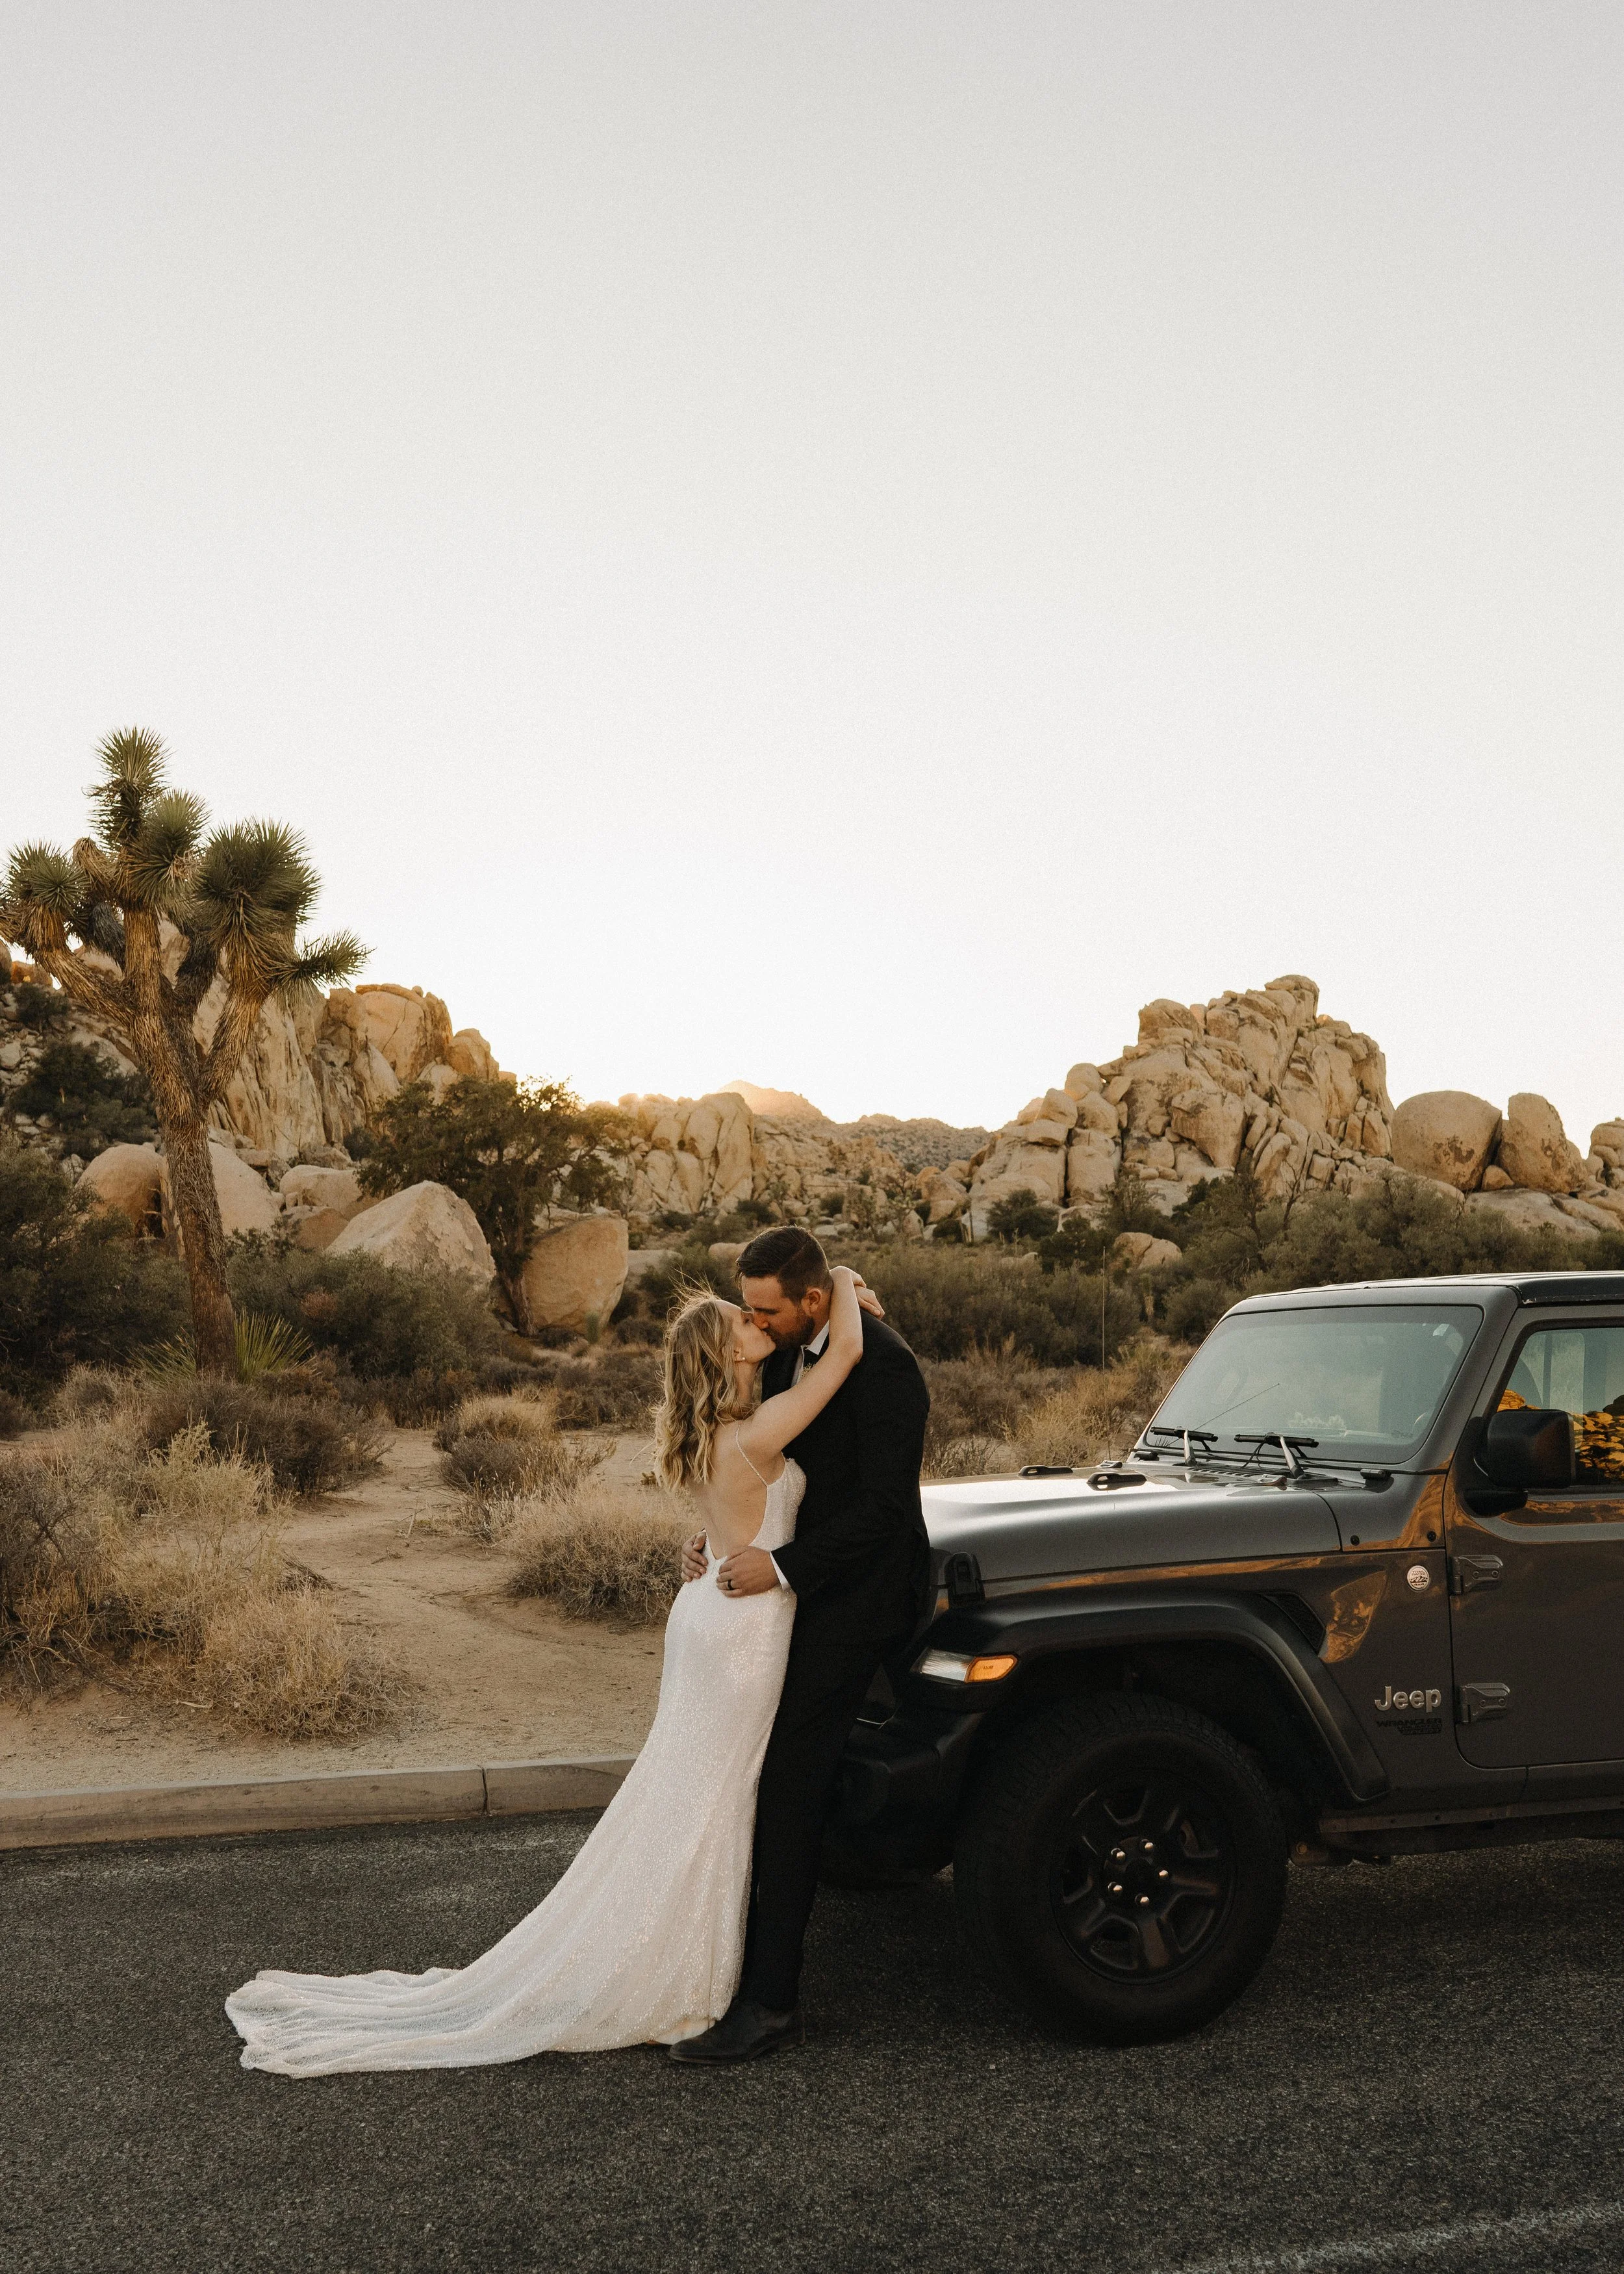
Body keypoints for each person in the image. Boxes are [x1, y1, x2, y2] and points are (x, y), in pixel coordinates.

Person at [223, 1264, 871, 2075]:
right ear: (725, 1354)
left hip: (707, 1611)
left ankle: (677, 1960)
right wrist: (840, 1280)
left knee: (684, 1791)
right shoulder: (758, 1431)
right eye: (742, 1322)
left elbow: (729, 1516)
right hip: (743, 1633)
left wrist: (711, 1541)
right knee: (714, 1800)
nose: (756, 1324)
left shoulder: (715, 1433)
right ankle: (681, 1977)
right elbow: (843, 1353)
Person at [668, 1224, 931, 2065]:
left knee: (786, 1785)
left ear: (810, 1301)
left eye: (765, 1308)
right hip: (779, 1595)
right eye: (748, 1309)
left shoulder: (883, 1366)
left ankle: (769, 2001)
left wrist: (780, 1565)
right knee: (759, 1776)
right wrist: (715, 1537)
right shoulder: (785, 1350)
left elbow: (884, 1511)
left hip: (854, 1600)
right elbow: (749, 1459)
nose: (755, 1319)